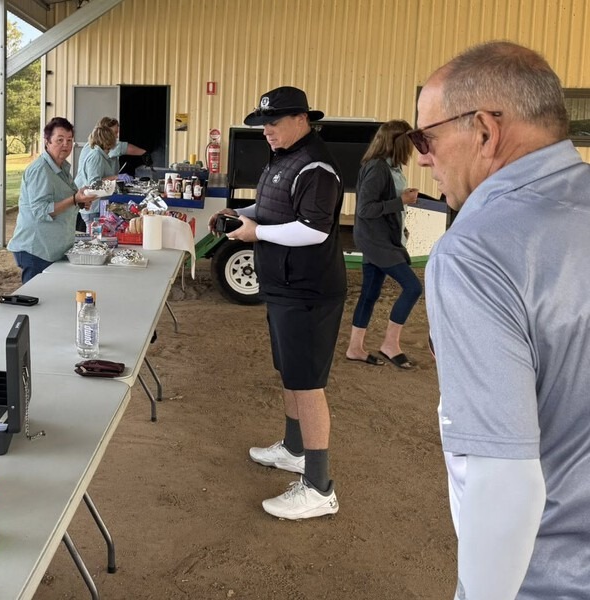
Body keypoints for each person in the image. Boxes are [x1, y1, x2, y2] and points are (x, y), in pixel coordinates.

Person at [421, 41, 590, 600]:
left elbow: (502, 478)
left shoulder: (475, 253)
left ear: (485, 132)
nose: (422, 158)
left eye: (426, 138)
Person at [209, 86, 345, 520]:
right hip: (284, 286)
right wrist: (242, 214)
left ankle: (319, 487)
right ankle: (294, 448)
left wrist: (257, 233)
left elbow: (314, 230)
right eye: (262, 124)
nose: (266, 130)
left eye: (273, 122)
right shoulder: (284, 157)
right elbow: (274, 206)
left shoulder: (316, 166)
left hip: (308, 291)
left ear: (302, 119)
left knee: (307, 383)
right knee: (290, 372)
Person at [344, 120, 422, 369]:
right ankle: (390, 344)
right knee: (413, 287)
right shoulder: (378, 168)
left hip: (382, 238)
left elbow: (383, 203)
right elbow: (365, 209)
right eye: (409, 141)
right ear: (398, 142)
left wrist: (400, 217)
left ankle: (355, 348)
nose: (412, 147)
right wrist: (401, 201)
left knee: (370, 293)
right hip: (376, 241)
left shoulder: (390, 166)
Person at [7, 117, 93, 282]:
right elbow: (41, 211)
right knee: (36, 297)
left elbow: (63, 199)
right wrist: (74, 199)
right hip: (37, 250)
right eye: (60, 140)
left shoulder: (61, 167)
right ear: (47, 142)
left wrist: (80, 202)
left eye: (69, 140)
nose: (66, 145)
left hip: (52, 249)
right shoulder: (40, 170)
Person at [74, 123, 119, 231]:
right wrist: (115, 178)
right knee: (94, 237)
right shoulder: (96, 157)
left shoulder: (101, 155)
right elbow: (94, 184)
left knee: (98, 236)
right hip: (93, 207)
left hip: (98, 205)